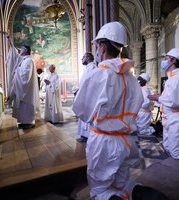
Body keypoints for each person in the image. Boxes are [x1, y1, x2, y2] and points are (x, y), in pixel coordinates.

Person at [72, 21, 168, 200]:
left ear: (102, 46)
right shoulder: (130, 78)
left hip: (104, 142)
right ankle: (140, 193)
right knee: (121, 182)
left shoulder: (98, 74)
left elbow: (81, 110)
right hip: (128, 141)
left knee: (100, 189)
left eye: (97, 46)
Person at [148, 48, 179, 160]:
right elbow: (173, 97)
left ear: (173, 60)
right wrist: (160, 97)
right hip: (171, 117)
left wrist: (159, 98)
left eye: (166, 58)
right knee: (168, 147)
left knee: (178, 154)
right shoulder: (174, 78)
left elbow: (178, 101)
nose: (164, 61)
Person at [6, 39, 40, 129]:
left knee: (26, 105)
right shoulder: (24, 60)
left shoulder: (29, 61)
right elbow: (16, 55)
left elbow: (26, 76)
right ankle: (24, 121)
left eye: (21, 49)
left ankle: (28, 122)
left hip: (26, 90)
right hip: (22, 88)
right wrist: (10, 43)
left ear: (25, 50)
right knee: (22, 106)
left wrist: (16, 72)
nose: (20, 50)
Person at [76, 52, 97, 143]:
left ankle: (87, 136)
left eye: (83, 57)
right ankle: (84, 135)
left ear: (88, 58)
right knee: (83, 116)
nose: (82, 59)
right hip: (84, 96)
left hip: (88, 97)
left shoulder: (92, 68)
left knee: (87, 116)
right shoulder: (88, 68)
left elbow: (91, 83)